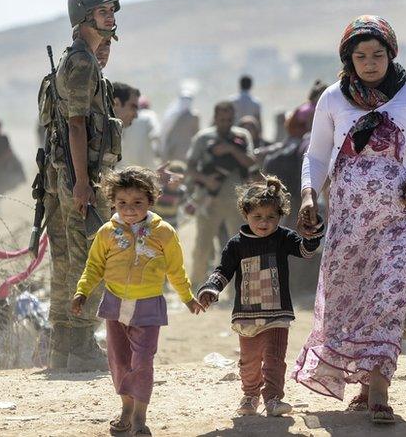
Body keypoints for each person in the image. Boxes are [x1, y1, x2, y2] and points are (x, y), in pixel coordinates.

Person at [293, 15, 406, 423]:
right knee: (351, 298)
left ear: (390, 54)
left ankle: (379, 386)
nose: (370, 62)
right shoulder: (332, 98)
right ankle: (362, 384)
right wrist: (309, 194)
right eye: (360, 55)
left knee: (388, 294)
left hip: (403, 218)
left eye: (377, 54)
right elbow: (317, 155)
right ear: (348, 59)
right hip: (349, 222)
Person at [71, 166, 199, 437]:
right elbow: (94, 266)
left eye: (137, 202)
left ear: (151, 201)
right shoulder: (107, 232)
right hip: (115, 304)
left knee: (142, 361)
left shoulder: (163, 232)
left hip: (148, 306)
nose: (129, 209)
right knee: (119, 361)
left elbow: (176, 269)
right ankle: (126, 409)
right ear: (113, 203)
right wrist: (82, 292)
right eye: (122, 203)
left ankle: (140, 416)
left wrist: (187, 297)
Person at [41, 0, 123, 372]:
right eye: (103, 11)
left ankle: (62, 347)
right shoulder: (82, 63)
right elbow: (75, 125)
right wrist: (82, 183)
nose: (110, 17)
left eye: (111, 11)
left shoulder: (79, 60)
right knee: (90, 259)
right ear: (85, 16)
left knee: (67, 259)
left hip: (69, 175)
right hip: (81, 176)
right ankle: (79, 345)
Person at [194, 176, 323, 417]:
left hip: (278, 315)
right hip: (246, 316)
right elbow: (223, 271)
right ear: (245, 215)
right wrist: (211, 289)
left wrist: (312, 231)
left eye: (271, 217)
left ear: (280, 217)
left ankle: (273, 399)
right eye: (258, 217)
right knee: (250, 362)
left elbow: (306, 251)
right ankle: (250, 395)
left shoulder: (283, 238)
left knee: (275, 359)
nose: (264, 222)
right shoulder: (236, 245)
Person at [185, 101, 255, 285]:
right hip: (209, 199)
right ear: (215, 118)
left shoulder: (241, 136)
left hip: (236, 200)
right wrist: (206, 180)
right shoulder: (203, 138)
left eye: (229, 119)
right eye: (222, 119)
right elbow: (190, 167)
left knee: (239, 246)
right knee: (203, 247)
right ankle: (195, 288)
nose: (225, 123)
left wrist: (232, 149)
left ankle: (237, 292)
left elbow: (250, 162)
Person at [159, 90, 200, 163]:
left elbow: (196, 133)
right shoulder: (172, 115)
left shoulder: (194, 116)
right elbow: (165, 132)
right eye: (184, 100)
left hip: (187, 150)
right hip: (173, 150)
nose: (186, 102)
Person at [120, 96, 160, 169]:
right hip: (145, 158)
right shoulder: (150, 115)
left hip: (128, 157)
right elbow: (156, 134)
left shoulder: (129, 115)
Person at [153, 160, 187, 229]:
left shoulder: (181, 191)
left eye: (180, 179)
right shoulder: (159, 189)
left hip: (172, 226)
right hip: (155, 226)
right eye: (174, 178)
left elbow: (187, 207)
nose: (176, 182)